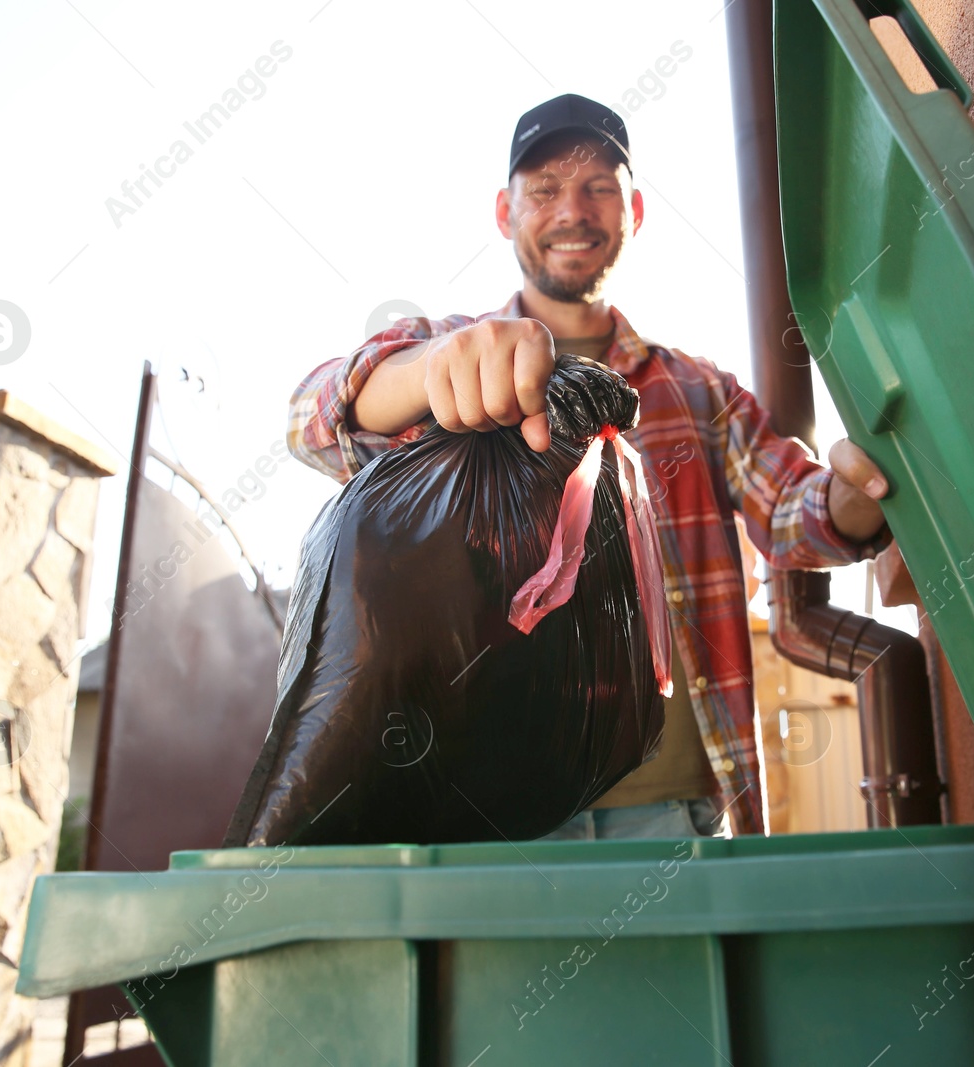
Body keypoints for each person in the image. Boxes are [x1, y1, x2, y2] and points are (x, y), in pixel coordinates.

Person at [286, 94, 893, 841]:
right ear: (505, 214)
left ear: (632, 209)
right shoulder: (453, 352)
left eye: (597, 187)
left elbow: (801, 515)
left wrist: (861, 488)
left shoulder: (697, 390)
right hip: (483, 812)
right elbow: (311, 420)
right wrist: (426, 369)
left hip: (671, 811)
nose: (571, 210)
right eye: (543, 190)